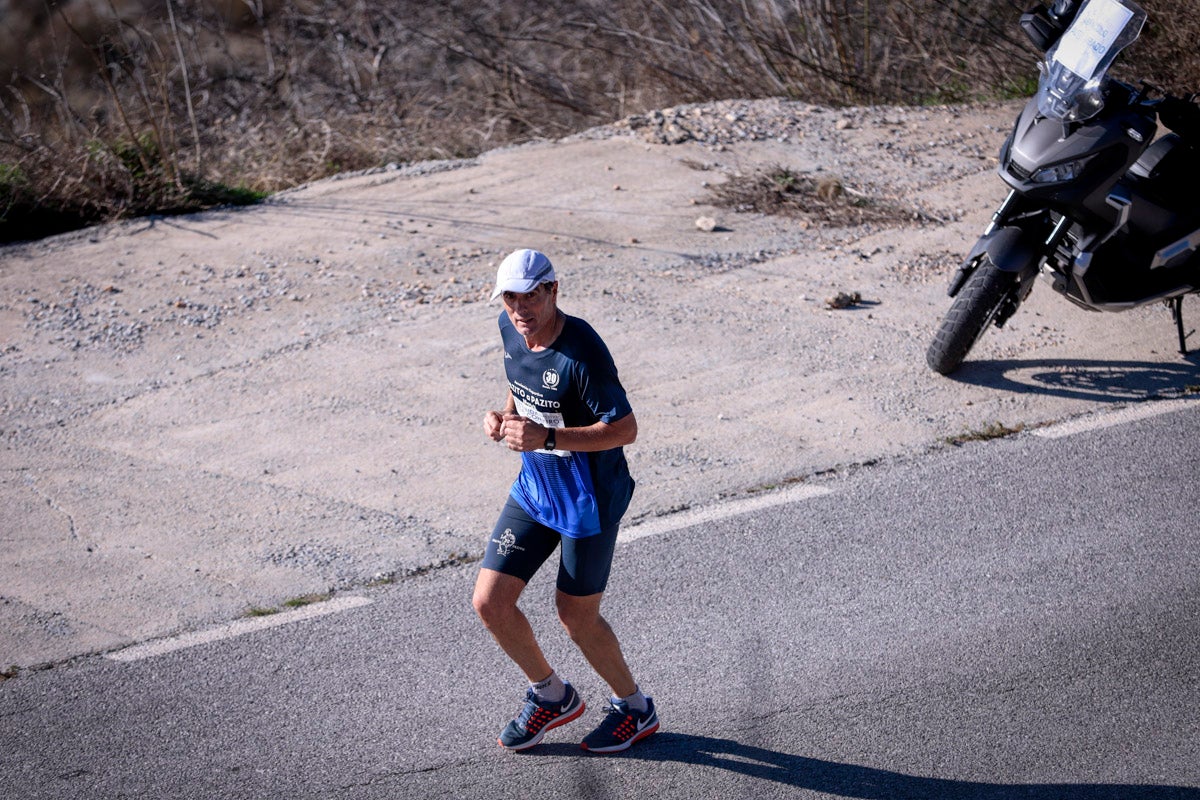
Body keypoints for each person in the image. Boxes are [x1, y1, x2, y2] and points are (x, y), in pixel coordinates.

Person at [472, 248, 658, 754]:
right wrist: (506, 416)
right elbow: (520, 379)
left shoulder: (583, 353)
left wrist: (548, 437)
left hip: (588, 500)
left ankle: (635, 708)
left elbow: (625, 429)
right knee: (490, 602)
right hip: (536, 487)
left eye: (530, 296)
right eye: (510, 297)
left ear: (554, 290)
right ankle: (551, 695)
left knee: (575, 617)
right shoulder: (511, 327)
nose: (520, 309)